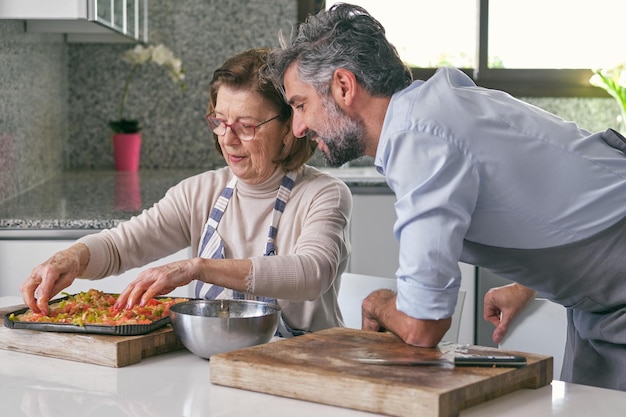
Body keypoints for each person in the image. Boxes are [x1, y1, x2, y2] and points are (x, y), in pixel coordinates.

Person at [262, 3, 626, 389]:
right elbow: (557, 185)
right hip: (598, 297)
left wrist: (380, 304)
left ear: (344, 86)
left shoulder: (420, 140)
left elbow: (423, 326)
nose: (298, 127)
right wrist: (531, 281)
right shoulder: (436, 105)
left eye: (300, 105)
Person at [20, 48, 352, 337]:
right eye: (220, 121)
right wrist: (73, 257)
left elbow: (311, 273)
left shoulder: (324, 194)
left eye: (246, 126)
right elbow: (122, 246)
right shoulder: (200, 192)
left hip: (302, 366)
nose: (228, 138)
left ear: (288, 129)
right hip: (213, 363)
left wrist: (196, 268)